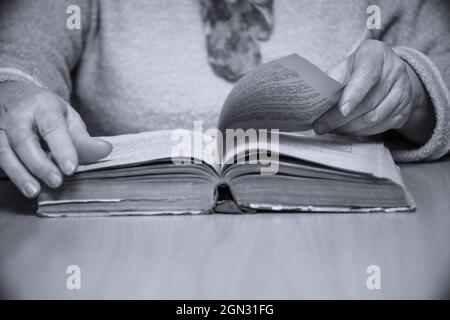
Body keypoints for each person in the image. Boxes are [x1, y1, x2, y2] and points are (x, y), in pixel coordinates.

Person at [0, 0, 449, 198]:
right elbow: (19, 55)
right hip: (124, 231)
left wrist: (414, 95)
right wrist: (14, 92)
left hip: (342, 233)